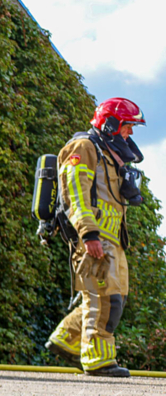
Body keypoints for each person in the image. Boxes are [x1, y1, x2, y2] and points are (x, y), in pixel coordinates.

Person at [45, 98, 147, 377]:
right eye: (128, 126)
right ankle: (98, 360)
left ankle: (66, 339)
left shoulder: (107, 154)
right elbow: (74, 193)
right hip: (94, 237)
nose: (131, 134)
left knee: (111, 299)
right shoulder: (83, 148)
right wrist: (88, 233)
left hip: (112, 240)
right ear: (111, 124)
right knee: (106, 300)